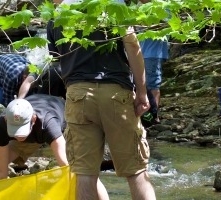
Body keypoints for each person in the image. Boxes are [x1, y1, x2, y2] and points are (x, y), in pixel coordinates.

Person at [47, 4, 156, 200]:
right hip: (116, 92)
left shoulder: (57, 14)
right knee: (136, 170)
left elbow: (57, 58)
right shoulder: (114, 5)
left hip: (77, 95)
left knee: (85, 174)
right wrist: (142, 92)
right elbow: (132, 45)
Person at [0, 95, 69, 182]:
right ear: (6, 119)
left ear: (33, 119)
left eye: (22, 130)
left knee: (73, 164)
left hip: (66, 119)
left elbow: (66, 166)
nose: (19, 136)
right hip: (35, 129)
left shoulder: (49, 124)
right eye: (14, 130)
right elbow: (0, 171)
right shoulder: (1, 125)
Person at [139, 33, 169, 126]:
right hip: (141, 53)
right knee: (142, 84)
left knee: (152, 85)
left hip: (152, 54)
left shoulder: (165, 18)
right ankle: (146, 115)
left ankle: (153, 116)